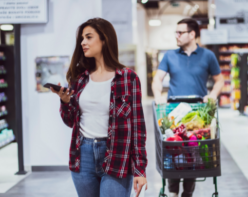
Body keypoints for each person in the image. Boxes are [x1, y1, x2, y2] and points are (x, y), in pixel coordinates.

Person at [51, 18, 147, 197]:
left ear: (104, 39)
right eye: (82, 38)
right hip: (82, 156)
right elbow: (70, 121)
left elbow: (138, 127)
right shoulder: (79, 79)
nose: (83, 43)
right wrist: (65, 102)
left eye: (88, 37)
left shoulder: (128, 78)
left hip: (117, 154)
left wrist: (140, 169)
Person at [152, 18, 224, 197]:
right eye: (176, 32)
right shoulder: (169, 56)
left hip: (197, 113)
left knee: (192, 152)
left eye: (180, 32)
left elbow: (219, 80)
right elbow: (157, 79)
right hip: (173, 111)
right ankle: (174, 192)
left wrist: (213, 95)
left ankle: (187, 193)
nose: (176, 35)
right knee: (172, 150)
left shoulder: (208, 56)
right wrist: (158, 95)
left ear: (192, 34)